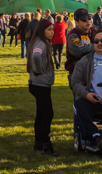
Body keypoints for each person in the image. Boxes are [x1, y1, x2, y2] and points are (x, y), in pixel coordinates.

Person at [27, 18, 57, 157]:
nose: (52, 32)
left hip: (38, 84)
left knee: (40, 114)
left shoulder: (40, 41)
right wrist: (38, 71)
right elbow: (36, 55)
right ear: (42, 30)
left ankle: (38, 143)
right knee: (47, 114)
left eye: (53, 29)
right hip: (40, 84)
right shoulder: (41, 43)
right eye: (49, 29)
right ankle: (46, 145)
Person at [65, 8, 97, 81]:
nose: (88, 21)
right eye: (83, 19)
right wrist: (96, 46)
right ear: (76, 22)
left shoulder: (95, 32)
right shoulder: (72, 35)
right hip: (77, 73)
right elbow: (79, 51)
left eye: (89, 17)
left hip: (93, 72)